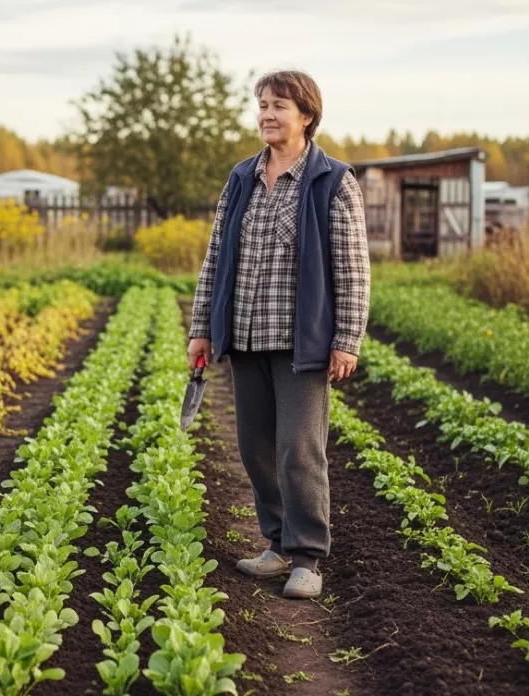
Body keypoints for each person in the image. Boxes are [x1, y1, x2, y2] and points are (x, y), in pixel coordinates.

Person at [188, 70, 370, 599]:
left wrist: (347, 338)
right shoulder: (241, 177)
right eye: (263, 105)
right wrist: (202, 328)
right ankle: (276, 544)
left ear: (307, 115)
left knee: (298, 451)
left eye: (279, 106)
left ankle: (307, 557)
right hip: (246, 337)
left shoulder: (333, 180)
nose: (267, 114)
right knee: (254, 448)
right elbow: (215, 257)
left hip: (301, 344)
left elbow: (353, 268)